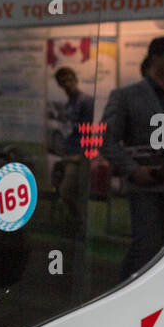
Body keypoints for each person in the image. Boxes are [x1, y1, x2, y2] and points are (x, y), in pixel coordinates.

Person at [101, 36, 164, 279]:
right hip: (146, 186)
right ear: (155, 59)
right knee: (146, 248)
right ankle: (123, 299)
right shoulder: (126, 96)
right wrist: (134, 170)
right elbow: (107, 141)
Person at [53, 66, 95, 237]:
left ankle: (81, 228)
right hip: (70, 153)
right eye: (63, 81)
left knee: (69, 191)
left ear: (75, 79)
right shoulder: (69, 104)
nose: (67, 83)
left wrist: (84, 154)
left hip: (80, 155)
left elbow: (91, 130)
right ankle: (78, 228)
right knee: (72, 193)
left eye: (70, 79)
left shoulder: (85, 101)